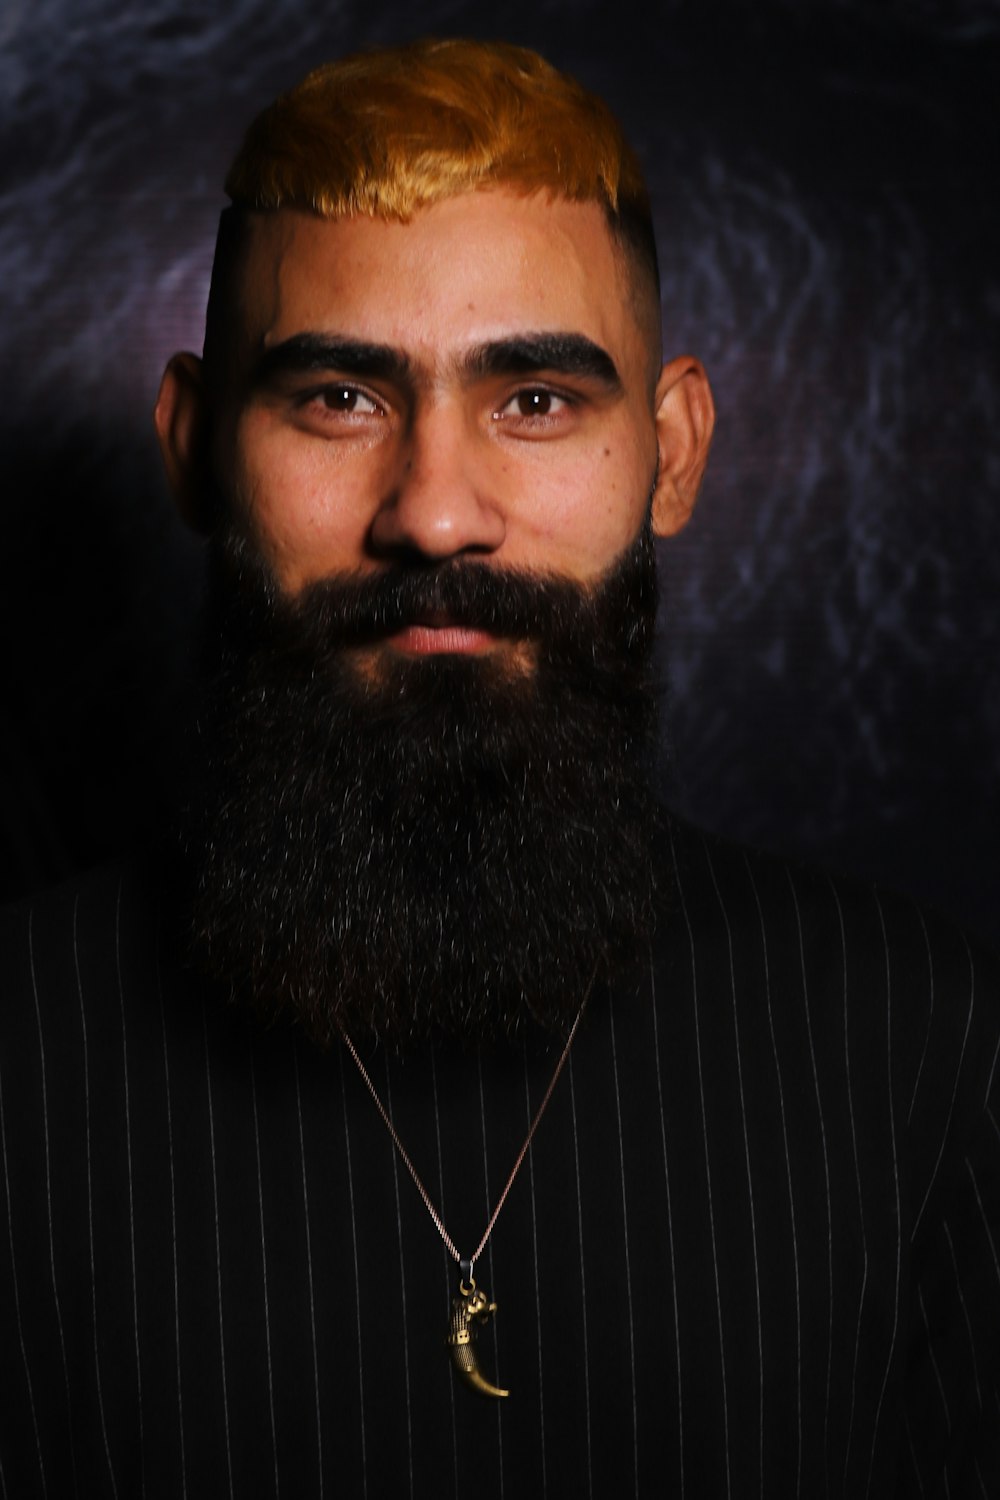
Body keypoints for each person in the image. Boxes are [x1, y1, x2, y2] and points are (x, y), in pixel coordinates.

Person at [1, 37, 997, 1498]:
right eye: (339, 397)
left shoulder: (927, 1052)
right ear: (196, 447)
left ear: (671, 453)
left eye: (535, 400)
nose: (437, 515)